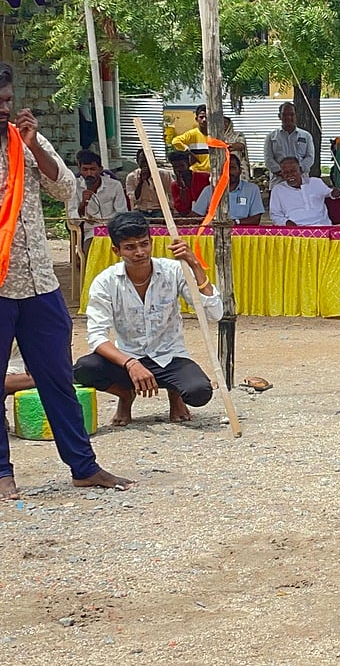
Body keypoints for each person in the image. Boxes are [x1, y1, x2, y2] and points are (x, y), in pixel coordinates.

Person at [0, 60, 132, 498]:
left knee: (57, 376)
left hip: (40, 283)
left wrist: (34, 147)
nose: (5, 109)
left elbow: (67, 189)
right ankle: (3, 473)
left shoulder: (26, 143)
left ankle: (83, 465)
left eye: (8, 101)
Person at [73, 211, 221, 425]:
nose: (140, 252)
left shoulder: (174, 271)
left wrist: (194, 263)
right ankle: (125, 395)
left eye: (144, 244)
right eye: (130, 247)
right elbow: (97, 337)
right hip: (128, 358)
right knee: (84, 369)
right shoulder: (105, 282)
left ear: (151, 242)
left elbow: (213, 313)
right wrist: (130, 363)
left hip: (170, 357)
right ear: (117, 250)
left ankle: (175, 394)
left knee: (199, 392)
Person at [71, 149, 125, 255]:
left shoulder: (114, 185)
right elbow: (73, 221)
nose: (89, 173)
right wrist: (83, 204)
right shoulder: (74, 187)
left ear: (100, 169)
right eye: (85, 169)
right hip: (91, 232)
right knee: (92, 250)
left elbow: (122, 213)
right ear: (80, 170)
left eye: (93, 169)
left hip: (113, 230)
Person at [188, 154, 263, 225]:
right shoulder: (209, 190)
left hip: (242, 235)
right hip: (216, 233)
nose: (228, 172)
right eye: (225, 168)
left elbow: (256, 219)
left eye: (232, 168)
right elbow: (195, 216)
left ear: (240, 170)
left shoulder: (252, 189)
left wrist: (236, 222)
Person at [269, 157, 338, 226]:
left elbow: (330, 193)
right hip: (296, 230)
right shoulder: (277, 190)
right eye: (286, 172)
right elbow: (275, 215)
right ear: (282, 174)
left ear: (301, 170)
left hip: (321, 227)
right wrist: (286, 222)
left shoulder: (316, 182)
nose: (290, 175)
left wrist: (334, 193)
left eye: (293, 171)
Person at [264, 102, 314, 187]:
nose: (288, 117)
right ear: (279, 116)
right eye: (285, 115)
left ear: (296, 116)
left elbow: (310, 157)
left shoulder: (306, 136)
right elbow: (268, 159)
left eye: (291, 114)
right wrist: (283, 172)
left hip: (302, 183)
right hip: (278, 183)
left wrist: (297, 171)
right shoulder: (271, 137)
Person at [125, 149, 173, 219]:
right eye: (143, 162)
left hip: (160, 210)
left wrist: (171, 210)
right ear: (137, 162)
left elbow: (171, 194)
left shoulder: (165, 175)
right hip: (140, 210)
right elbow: (133, 199)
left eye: (149, 161)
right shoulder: (131, 177)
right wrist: (141, 182)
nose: (146, 164)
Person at [170, 104, 210, 173]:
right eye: (201, 117)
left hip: (212, 173)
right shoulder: (192, 134)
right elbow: (175, 141)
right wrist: (187, 151)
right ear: (196, 119)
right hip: (196, 171)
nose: (204, 120)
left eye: (207, 117)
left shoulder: (215, 135)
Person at [168, 150, 210, 217]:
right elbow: (182, 209)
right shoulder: (175, 185)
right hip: (188, 217)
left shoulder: (205, 177)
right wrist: (182, 188)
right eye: (175, 167)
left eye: (181, 166)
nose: (178, 169)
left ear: (188, 164)